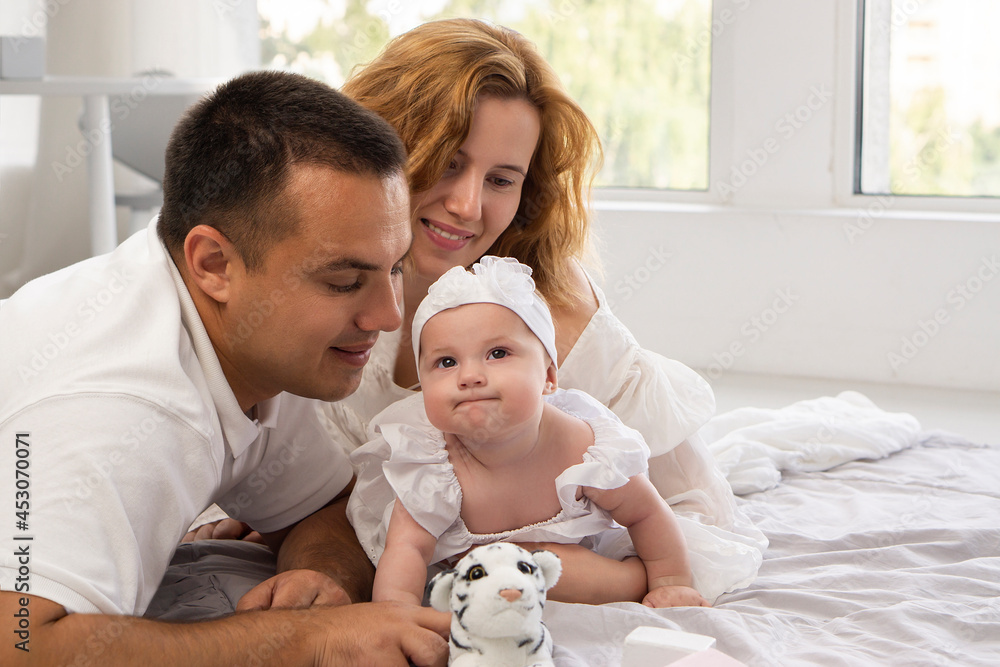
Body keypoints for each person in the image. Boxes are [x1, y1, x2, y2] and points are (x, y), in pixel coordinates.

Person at [198, 18, 765, 602]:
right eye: (447, 162)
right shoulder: (322, 276)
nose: (468, 205)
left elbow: (688, 514)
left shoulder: (549, 317)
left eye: (501, 179)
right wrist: (284, 507)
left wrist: (589, 570)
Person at [0, 71, 448, 666]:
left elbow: (322, 505)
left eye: (394, 269)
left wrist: (320, 575)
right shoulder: (125, 409)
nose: (389, 317)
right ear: (213, 263)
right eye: (344, 282)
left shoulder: (248, 340)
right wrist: (306, 641)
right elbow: (21, 642)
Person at [356, 257, 710, 609]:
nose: (470, 376)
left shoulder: (584, 447)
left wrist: (670, 582)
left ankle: (634, 581)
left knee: (568, 574)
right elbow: (407, 548)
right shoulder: (430, 463)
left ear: (549, 377)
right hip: (475, 579)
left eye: (497, 353)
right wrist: (395, 613)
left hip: (563, 564)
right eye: (446, 362)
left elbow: (646, 513)